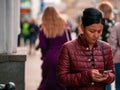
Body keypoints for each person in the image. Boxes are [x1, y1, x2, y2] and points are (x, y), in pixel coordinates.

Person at [57, 8, 115, 90]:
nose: (96, 35)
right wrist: (87, 76)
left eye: (99, 31)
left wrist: (106, 77)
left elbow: (112, 74)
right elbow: (62, 78)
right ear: (82, 28)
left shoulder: (106, 47)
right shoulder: (68, 48)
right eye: (92, 31)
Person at [37, 6, 72, 90]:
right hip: (64, 57)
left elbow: (43, 46)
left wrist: (44, 57)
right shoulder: (65, 26)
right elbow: (70, 42)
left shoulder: (43, 28)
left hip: (50, 58)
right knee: (63, 83)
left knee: (48, 83)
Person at [108, 22, 120, 90]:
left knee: (118, 84)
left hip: (118, 59)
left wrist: (110, 57)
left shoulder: (117, 26)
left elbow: (113, 44)